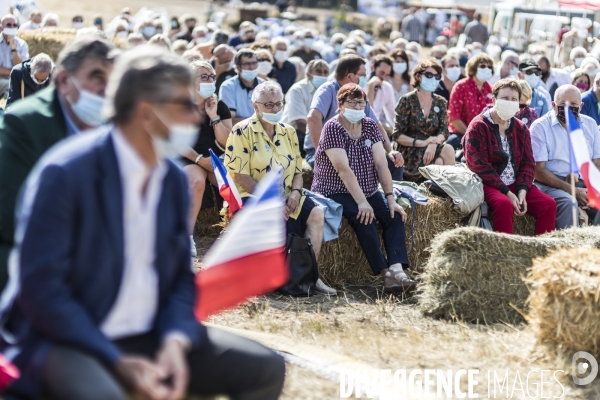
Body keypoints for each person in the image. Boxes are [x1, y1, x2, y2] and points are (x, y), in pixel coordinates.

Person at [0, 45, 286, 400]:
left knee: (265, 369)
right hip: (68, 338)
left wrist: (175, 341)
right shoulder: (65, 173)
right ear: (147, 111)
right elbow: (42, 291)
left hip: (149, 333)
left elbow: (181, 277)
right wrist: (116, 361)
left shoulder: (169, 180)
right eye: (183, 105)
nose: (196, 119)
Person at [0, 36, 116, 291]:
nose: (106, 89)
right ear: (64, 80)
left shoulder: (114, 125)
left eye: (113, 80)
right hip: (29, 265)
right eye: (97, 77)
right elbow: (10, 216)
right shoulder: (25, 123)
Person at [224, 81, 336, 295]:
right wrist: (272, 200)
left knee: (317, 213)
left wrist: (295, 192)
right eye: (269, 105)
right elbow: (241, 175)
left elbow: (297, 171)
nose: (275, 109)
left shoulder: (289, 132)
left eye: (278, 104)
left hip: (287, 193)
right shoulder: (241, 131)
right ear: (255, 106)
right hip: (254, 194)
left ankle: (310, 275)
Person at [310, 83, 416, 292]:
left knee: (393, 215)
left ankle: (397, 269)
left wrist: (390, 198)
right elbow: (343, 169)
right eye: (352, 103)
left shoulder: (369, 125)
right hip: (335, 189)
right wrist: (362, 202)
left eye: (361, 103)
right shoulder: (332, 128)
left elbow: (381, 164)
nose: (357, 107)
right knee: (364, 218)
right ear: (340, 105)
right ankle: (385, 273)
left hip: (368, 188)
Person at [464, 78, 556, 235]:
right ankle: (504, 255)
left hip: (516, 184)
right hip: (488, 183)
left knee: (548, 204)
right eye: (505, 98)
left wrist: (522, 191)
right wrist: (506, 192)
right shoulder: (478, 126)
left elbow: (528, 163)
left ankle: (542, 253)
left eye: (514, 99)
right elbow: (478, 165)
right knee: (504, 204)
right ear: (494, 100)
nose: (510, 102)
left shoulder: (521, 128)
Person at [305, 55, 404, 180]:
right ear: (350, 76)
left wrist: (389, 151)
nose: (365, 79)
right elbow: (313, 118)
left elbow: (376, 124)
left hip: (353, 149)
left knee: (393, 164)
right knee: (350, 170)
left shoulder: (358, 94)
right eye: (362, 75)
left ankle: (393, 196)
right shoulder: (327, 90)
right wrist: (323, 152)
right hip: (322, 151)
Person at [180, 60, 232, 257]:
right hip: (188, 156)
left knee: (230, 183)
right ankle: (186, 236)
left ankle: (233, 234)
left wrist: (214, 116)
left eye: (212, 77)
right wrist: (199, 159)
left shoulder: (219, 106)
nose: (210, 80)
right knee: (196, 182)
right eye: (204, 77)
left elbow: (227, 141)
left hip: (215, 158)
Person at [530, 84, 600, 229]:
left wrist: (590, 189)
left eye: (573, 104)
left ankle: (594, 246)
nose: (568, 108)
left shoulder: (590, 124)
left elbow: (596, 162)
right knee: (570, 203)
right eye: (563, 104)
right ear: (553, 105)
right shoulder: (540, 127)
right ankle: (567, 248)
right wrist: (573, 191)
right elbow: (538, 170)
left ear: (581, 106)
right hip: (552, 183)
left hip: (583, 181)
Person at [392, 59, 454, 181]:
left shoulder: (440, 101)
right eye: (429, 75)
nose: (433, 79)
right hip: (410, 149)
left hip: (432, 148)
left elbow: (444, 131)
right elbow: (397, 135)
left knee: (443, 155)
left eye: (437, 76)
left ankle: (447, 193)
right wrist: (423, 143)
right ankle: (445, 193)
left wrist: (433, 143)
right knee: (439, 161)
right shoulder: (406, 100)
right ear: (418, 76)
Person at [447, 53, 495, 150]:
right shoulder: (461, 86)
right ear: (473, 68)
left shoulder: (492, 89)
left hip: (486, 137)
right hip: (460, 134)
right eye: (482, 66)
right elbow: (454, 118)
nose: (486, 68)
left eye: (489, 66)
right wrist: (471, 134)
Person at [281, 59, 329, 156]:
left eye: (325, 72)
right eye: (318, 71)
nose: (322, 75)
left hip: (317, 132)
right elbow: (300, 123)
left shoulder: (328, 90)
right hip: (295, 134)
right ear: (308, 74)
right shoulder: (297, 90)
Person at [219, 48, 263, 124]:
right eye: (247, 64)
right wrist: (258, 121)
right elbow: (229, 120)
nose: (252, 67)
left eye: (254, 63)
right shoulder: (228, 86)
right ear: (237, 67)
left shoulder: (264, 85)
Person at [0, 14, 29, 98]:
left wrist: (13, 48)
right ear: (1, 27)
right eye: (8, 24)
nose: (12, 27)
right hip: (3, 79)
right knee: (11, 86)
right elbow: (19, 71)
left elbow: (21, 67)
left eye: (14, 25)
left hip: (14, 79)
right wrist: (14, 73)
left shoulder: (22, 44)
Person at [365, 54, 395, 130]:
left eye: (386, 75)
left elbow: (393, 115)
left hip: (375, 128)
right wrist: (371, 87)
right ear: (372, 68)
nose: (383, 77)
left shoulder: (387, 87)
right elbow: (367, 114)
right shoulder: (360, 84)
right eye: (381, 73)